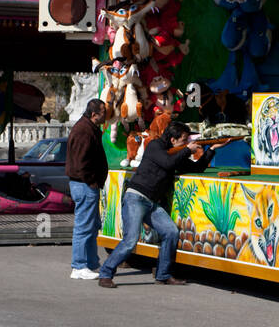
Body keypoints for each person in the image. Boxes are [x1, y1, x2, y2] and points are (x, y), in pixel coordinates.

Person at [98, 121, 215, 288]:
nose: (186, 143)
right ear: (173, 140)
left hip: (151, 202)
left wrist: (212, 149)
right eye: (183, 140)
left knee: (171, 232)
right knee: (130, 240)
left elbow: (197, 167)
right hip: (136, 198)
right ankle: (106, 273)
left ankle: (163, 274)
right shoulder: (155, 146)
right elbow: (168, 163)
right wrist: (187, 150)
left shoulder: (175, 153)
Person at [65, 99, 110, 280]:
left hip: (85, 184)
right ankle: (79, 266)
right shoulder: (84, 131)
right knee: (84, 226)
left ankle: (90, 263)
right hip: (84, 185)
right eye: (103, 113)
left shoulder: (87, 128)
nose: (105, 116)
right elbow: (82, 162)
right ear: (94, 115)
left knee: (91, 226)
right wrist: (92, 181)